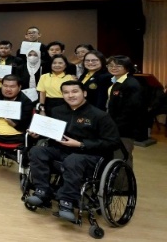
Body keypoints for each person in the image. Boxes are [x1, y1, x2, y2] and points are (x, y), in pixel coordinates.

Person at [26, 81, 120, 222]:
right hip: (61, 150)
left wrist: (81, 144)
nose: (70, 95)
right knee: (37, 151)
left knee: (73, 159)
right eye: (66, 92)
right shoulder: (57, 111)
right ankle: (42, 191)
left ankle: (67, 201)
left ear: (84, 93)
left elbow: (113, 142)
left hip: (89, 155)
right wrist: (37, 134)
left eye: (75, 91)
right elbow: (52, 133)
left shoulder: (99, 116)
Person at [106, 55, 142, 168]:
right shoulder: (115, 81)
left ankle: (124, 180)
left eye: (118, 66)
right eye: (110, 65)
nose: (113, 68)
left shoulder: (130, 83)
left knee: (121, 158)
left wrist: (116, 127)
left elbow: (131, 110)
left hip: (124, 129)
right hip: (114, 125)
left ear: (127, 67)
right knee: (116, 157)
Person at [0, 75, 35, 145]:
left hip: (15, 136)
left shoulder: (26, 102)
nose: (8, 89)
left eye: (12, 87)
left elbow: (25, 123)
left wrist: (13, 123)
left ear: (19, 87)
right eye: (5, 86)